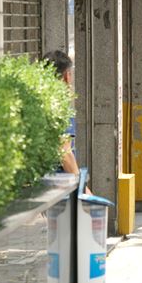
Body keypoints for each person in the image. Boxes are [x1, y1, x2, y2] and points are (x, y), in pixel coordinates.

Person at [43, 50, 92, 194]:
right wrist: (82, 188)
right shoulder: (58, 105)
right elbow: (64, 153)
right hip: (60, 188)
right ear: (66, 77)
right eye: (70, 74)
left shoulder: (38, 102)